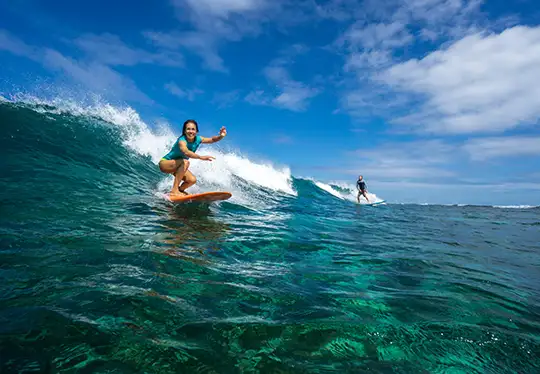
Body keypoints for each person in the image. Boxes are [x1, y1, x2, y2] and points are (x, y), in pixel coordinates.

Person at [158, 119, 227, 197]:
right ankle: (174, 190)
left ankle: (180, 190)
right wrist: (201, 157)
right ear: (184, 131)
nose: (191, 131)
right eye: (188, 129)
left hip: (177, 166)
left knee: (192, 180)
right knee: (185, 162)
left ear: (196, 131)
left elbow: (212, 139)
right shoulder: (182, 140)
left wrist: (221, 136)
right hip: (165, 163)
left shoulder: (198, 139)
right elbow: (186, 152)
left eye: (193, 129)